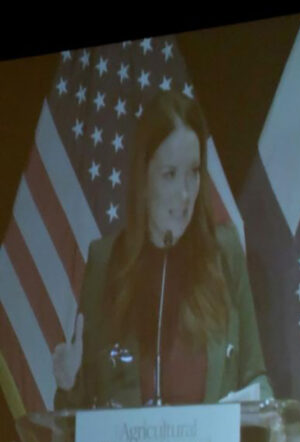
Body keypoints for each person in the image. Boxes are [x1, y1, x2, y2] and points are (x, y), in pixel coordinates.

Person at [52, 91, 271, 408]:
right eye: (170, 174)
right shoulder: (106, 260)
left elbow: (255, 375)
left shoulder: (224, 253)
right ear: (144, 178)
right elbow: (80, 410)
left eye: (194, 172)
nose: (185, 193)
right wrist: (69, 383)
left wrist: (262, 404)